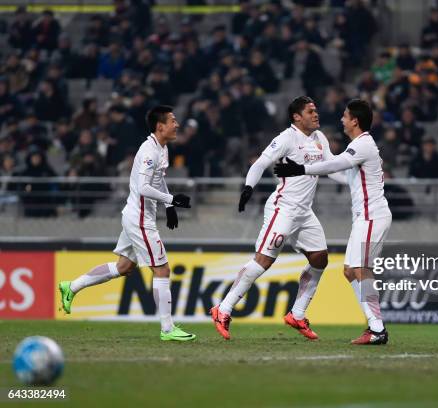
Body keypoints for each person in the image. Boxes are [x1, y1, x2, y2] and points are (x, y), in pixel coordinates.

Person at [210, 96, 346, 341]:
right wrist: (248, 188)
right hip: (283, 209)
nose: (316, 115)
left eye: (316, 110)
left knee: (319, 258)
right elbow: (260, 162)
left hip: (305, 212)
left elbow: (331, 168)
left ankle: (297, 313)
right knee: (263, 261)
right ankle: (223, 308)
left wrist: (355, 185)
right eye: (310, 111)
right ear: (297, 117)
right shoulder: (286, 138)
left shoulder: (319, 138)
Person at [58, 105, 195, 342]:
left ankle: (72, 286)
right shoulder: (149, 151)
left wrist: (169, 206)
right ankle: (168, 329)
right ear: (160, 126)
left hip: (138, 215)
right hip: (140, 218)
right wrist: (171, 199)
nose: (177, 124)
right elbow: (143, 187)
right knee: (162, 269)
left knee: (124, 267)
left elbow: (158, 181)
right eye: (173, 121)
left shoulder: (162, 149)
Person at [274, 99, 392, 345]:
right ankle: (375, 325)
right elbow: (338, 173)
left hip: (373, 216)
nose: (342, 119)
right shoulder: (359, 146)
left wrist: (301, 169)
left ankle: (377, 329)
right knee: (350, 271)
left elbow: (336, 163)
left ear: (355, 121)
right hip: (364, 217)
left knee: (360, 269)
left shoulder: (363, 144)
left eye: (345, 116)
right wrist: (308, 168)